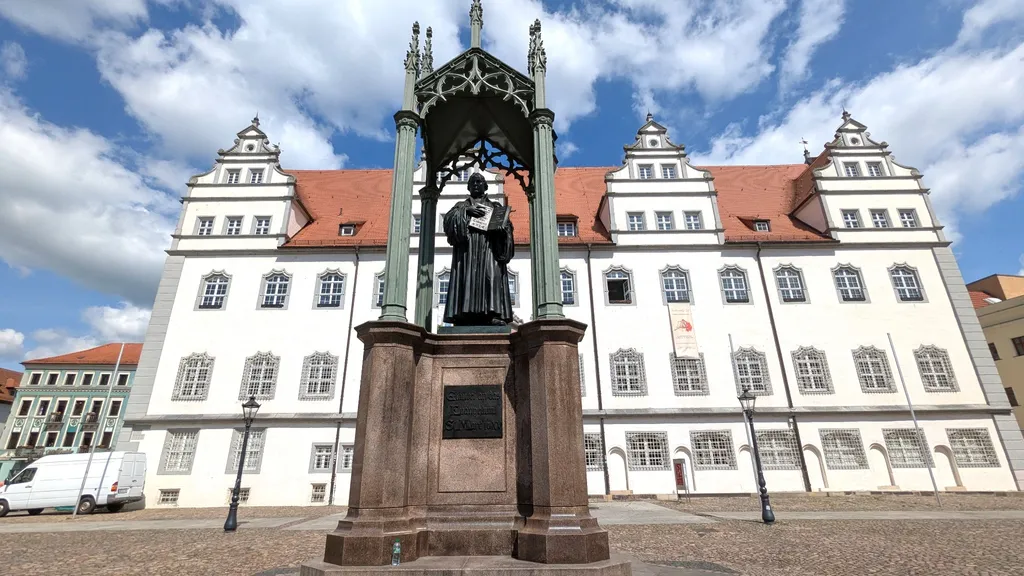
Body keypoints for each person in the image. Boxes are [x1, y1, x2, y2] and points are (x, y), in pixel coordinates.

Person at [442, 172, 515, 326]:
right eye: (472, 182)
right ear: (469, 187)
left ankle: (492, 314)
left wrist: (503, 229)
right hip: (467, 250)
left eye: (479, 182)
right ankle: (464, 316)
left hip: (489, 248)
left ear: (485, 186)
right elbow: (448, 221)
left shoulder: (495, 206)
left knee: (491, 278)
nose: (476, 185)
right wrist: (466, 212)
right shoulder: (461, 206)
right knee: (466, 278)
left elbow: (507, 228)